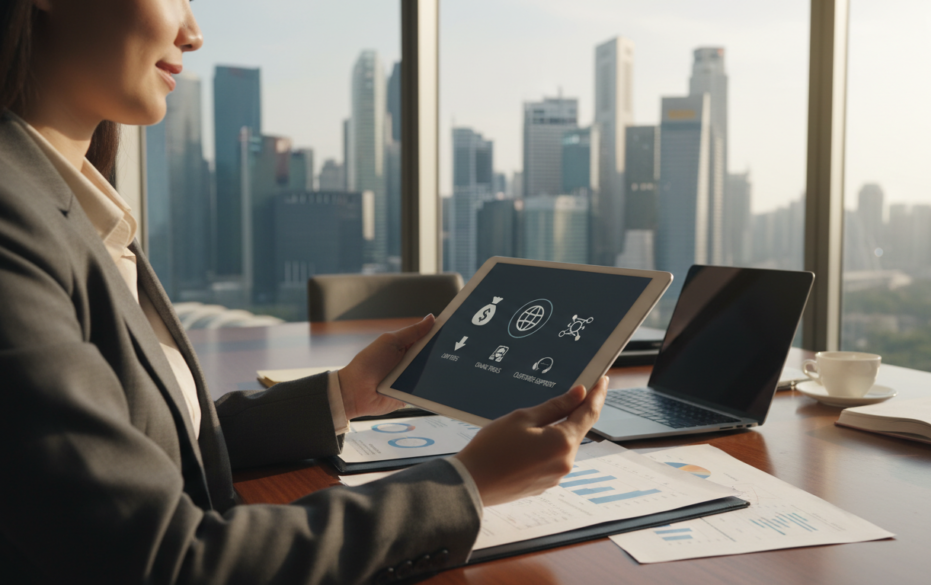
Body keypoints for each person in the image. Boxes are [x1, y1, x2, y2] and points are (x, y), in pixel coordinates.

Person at [0, 1, 608, 583]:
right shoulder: (14, 224)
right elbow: (166, 561)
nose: (194, 31)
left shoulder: (71, 205)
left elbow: (156, 444)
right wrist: (466, 482)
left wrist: (343, 395)